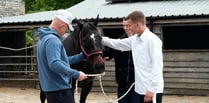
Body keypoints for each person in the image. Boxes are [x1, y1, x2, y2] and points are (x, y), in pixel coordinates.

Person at [102, 10, 164, 103]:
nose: (127, 29)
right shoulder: (135, 39)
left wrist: (151, 89)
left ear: (138, 24)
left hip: (151, 90)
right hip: (140, 89)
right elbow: (117, 44)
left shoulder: (152, 40)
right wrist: (99, 38)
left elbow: (157, 66)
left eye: (129, 25)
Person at [36, 9, 87, 103]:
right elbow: (55, 63)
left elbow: (60, 60)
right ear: (62, 25)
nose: (66, 31)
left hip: (50, 89)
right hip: (59, 90)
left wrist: (80, 57)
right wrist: (76, 74)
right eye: (67, 27)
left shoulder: (43, 39)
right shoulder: (53, 40)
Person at [103, 19, 138, 103]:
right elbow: (106, 55)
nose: (126, 28)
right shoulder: (119, 42)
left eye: (128, 25)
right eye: (124, 26)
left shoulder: (142, 41)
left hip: (137, 83)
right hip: (122, 82)